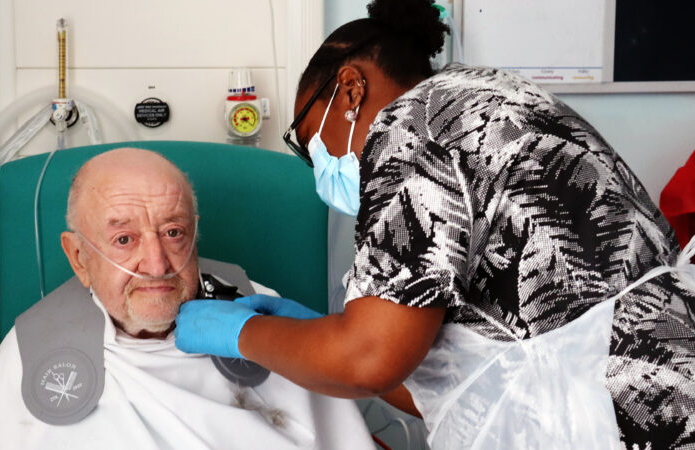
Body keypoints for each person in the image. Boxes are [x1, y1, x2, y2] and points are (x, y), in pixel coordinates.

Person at [173, 1, 695, 449]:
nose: (320, 165)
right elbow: (457, 379)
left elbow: (371, 361)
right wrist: (311, 333)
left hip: (627, 417)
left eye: (312, 140)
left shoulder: (412, 132)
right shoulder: (494, 94)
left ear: (350, 89)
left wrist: (243, 333)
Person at [0, 148, 376, 450]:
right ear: (79, 257)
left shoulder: (257, 313)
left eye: (173, 233)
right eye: (124, 239)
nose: (157, 265)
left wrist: (292, 339)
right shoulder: (31, 354)